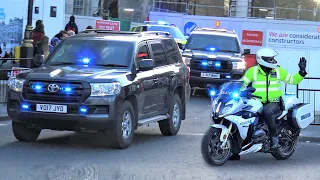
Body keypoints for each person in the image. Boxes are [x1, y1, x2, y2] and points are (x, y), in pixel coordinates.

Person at [229, 47, 307, 160]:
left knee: (267, 111)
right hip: (257, 102)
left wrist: (302, 72)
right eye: (270, 59)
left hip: (274, 103)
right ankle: (235, 151)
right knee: (242, 117)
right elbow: (243, 83)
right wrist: (236, 90)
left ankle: (275, 140)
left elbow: (293, 80)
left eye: (272, 59)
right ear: (262, 59)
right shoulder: (253, 71)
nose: (273, 61)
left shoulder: (278, 70)